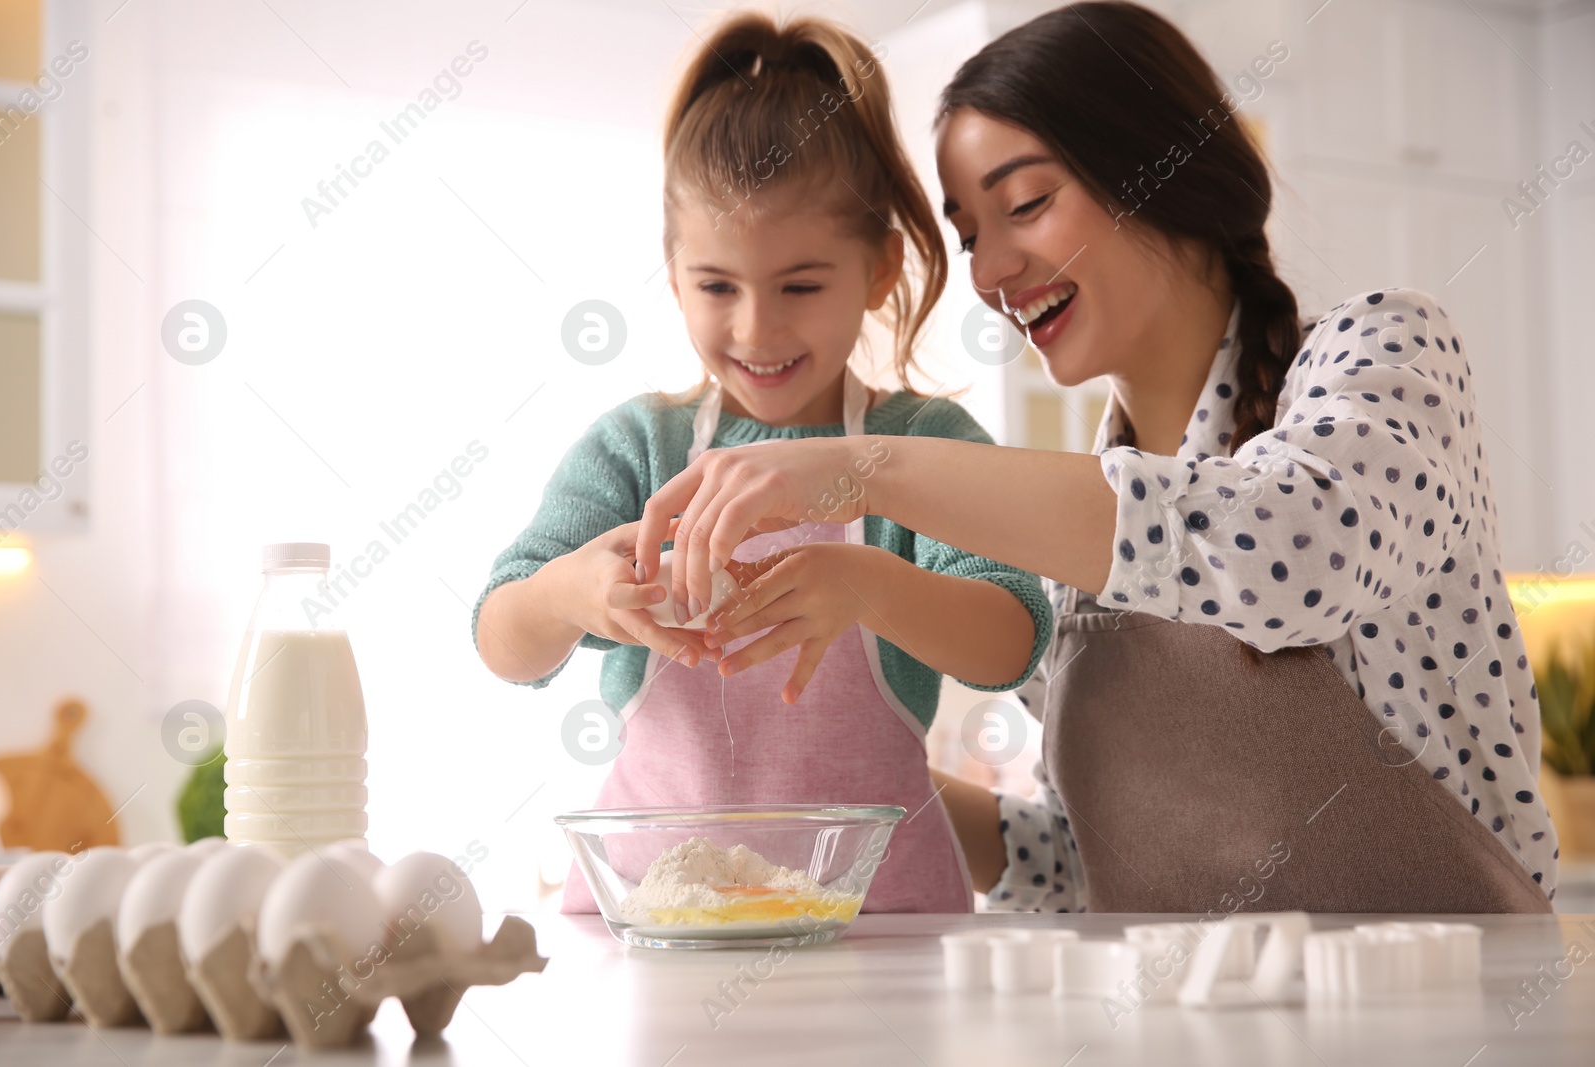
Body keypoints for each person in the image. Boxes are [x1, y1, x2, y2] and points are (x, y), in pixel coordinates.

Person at [635, 1, 1557, 914]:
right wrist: (841, 796)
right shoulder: (1073, 538)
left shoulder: (1380, 351)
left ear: (1163, 167)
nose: (990, 272)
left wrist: (863, 467)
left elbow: (1291, 549)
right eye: (968, 235)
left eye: (1026, 204)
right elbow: (1092, 865)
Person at [472, 12, 1052, 914]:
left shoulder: (921, 442)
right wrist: (570, 595)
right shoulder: (638, 448)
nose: (756, 329)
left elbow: (1011, 635)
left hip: (880, 938)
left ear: (881, 270)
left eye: (801, 285)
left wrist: (867, 585)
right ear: (674, 277)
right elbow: (502, 638)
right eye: (717, 286)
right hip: (651, 928)